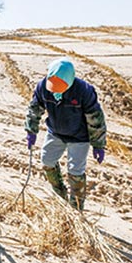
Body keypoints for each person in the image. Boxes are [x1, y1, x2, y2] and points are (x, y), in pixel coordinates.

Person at [24, 58, 107, 211]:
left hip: (79, 137)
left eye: (60, 86)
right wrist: (31, 129)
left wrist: (98, 145)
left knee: (75, 171)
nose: (55, 90)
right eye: (53, 86)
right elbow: (34, 109)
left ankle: (76, 208)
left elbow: (95, 119)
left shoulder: (84, 91)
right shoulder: (43, 87)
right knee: (47, 161)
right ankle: (60, 194)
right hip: (55, 133)